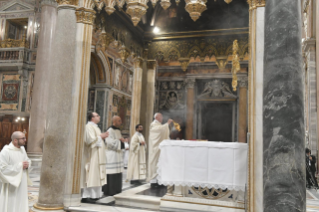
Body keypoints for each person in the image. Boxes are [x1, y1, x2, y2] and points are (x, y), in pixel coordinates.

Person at [0, 131, 32, 212]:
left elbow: (27, 160)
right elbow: (2, 168)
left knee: (21, 198)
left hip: (22, 180)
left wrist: (28, 164)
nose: (25, 140)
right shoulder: (6, 151)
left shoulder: (22, 149)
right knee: (12, 199)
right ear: (15, 140)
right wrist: (20, 166)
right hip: (11, 182)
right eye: (23, 138)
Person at [81, 112, 109, 203]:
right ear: (92, 118)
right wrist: (101, 136)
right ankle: (87, 195)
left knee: (96, 175)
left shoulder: (95, 127)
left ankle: (95, 195)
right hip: (91, 156)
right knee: (90, 175)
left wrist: (101, 137)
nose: (99, 116)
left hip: (97, 156)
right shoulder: (88, 127)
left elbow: (96, 139)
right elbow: (90, 140)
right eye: (97, 115)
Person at [148, 113, 173, 187]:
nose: (162, 118)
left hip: (159, 149)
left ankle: (159, 181)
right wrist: (167, 124)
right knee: (155, 163)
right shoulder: (154, 124)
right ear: (156, 117)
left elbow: (162, 130)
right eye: (161, 116)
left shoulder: (158, 125)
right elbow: (158, 131)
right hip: (155, 149)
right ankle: (154, 181)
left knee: (160, 163)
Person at [103, 116, 126, 196]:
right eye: (119, 121)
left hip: (117, 155)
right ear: (114, 121)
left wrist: (122, 141)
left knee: (118, 172)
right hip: (111, 155)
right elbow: (109, 143)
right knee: (111, 173)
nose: (120, 122)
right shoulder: (110, 130)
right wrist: (119, 141)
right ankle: (110, 190)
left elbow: (119, 140)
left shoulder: (118, 131)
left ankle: (117, 189)